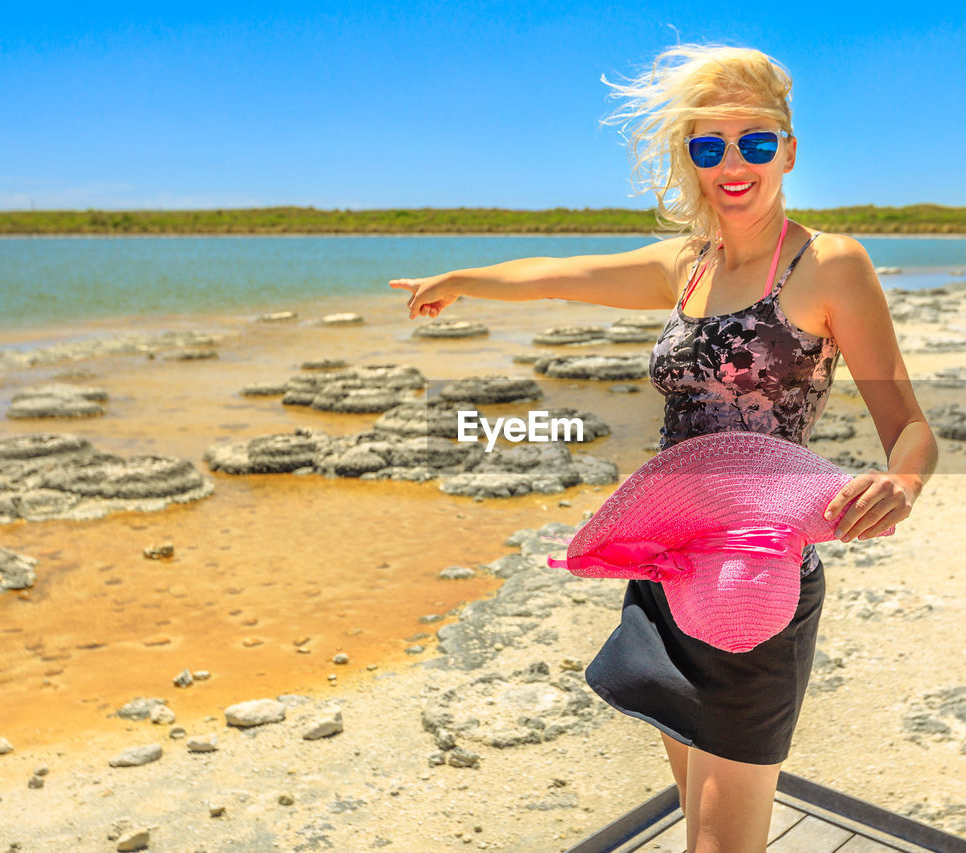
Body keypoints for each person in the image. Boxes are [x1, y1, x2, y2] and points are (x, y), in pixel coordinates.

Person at [391, 43, 938, 853]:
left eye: (754, 141)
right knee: (695, 816)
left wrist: (901, 482)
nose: (733, 163)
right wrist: (464, 277)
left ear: (788, 149)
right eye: (708, 145)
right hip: (666, 566)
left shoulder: (829, 265)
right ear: (691, 157)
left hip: (754, 578)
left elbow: (911, 426)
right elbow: (557, 273)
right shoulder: (686, 265)